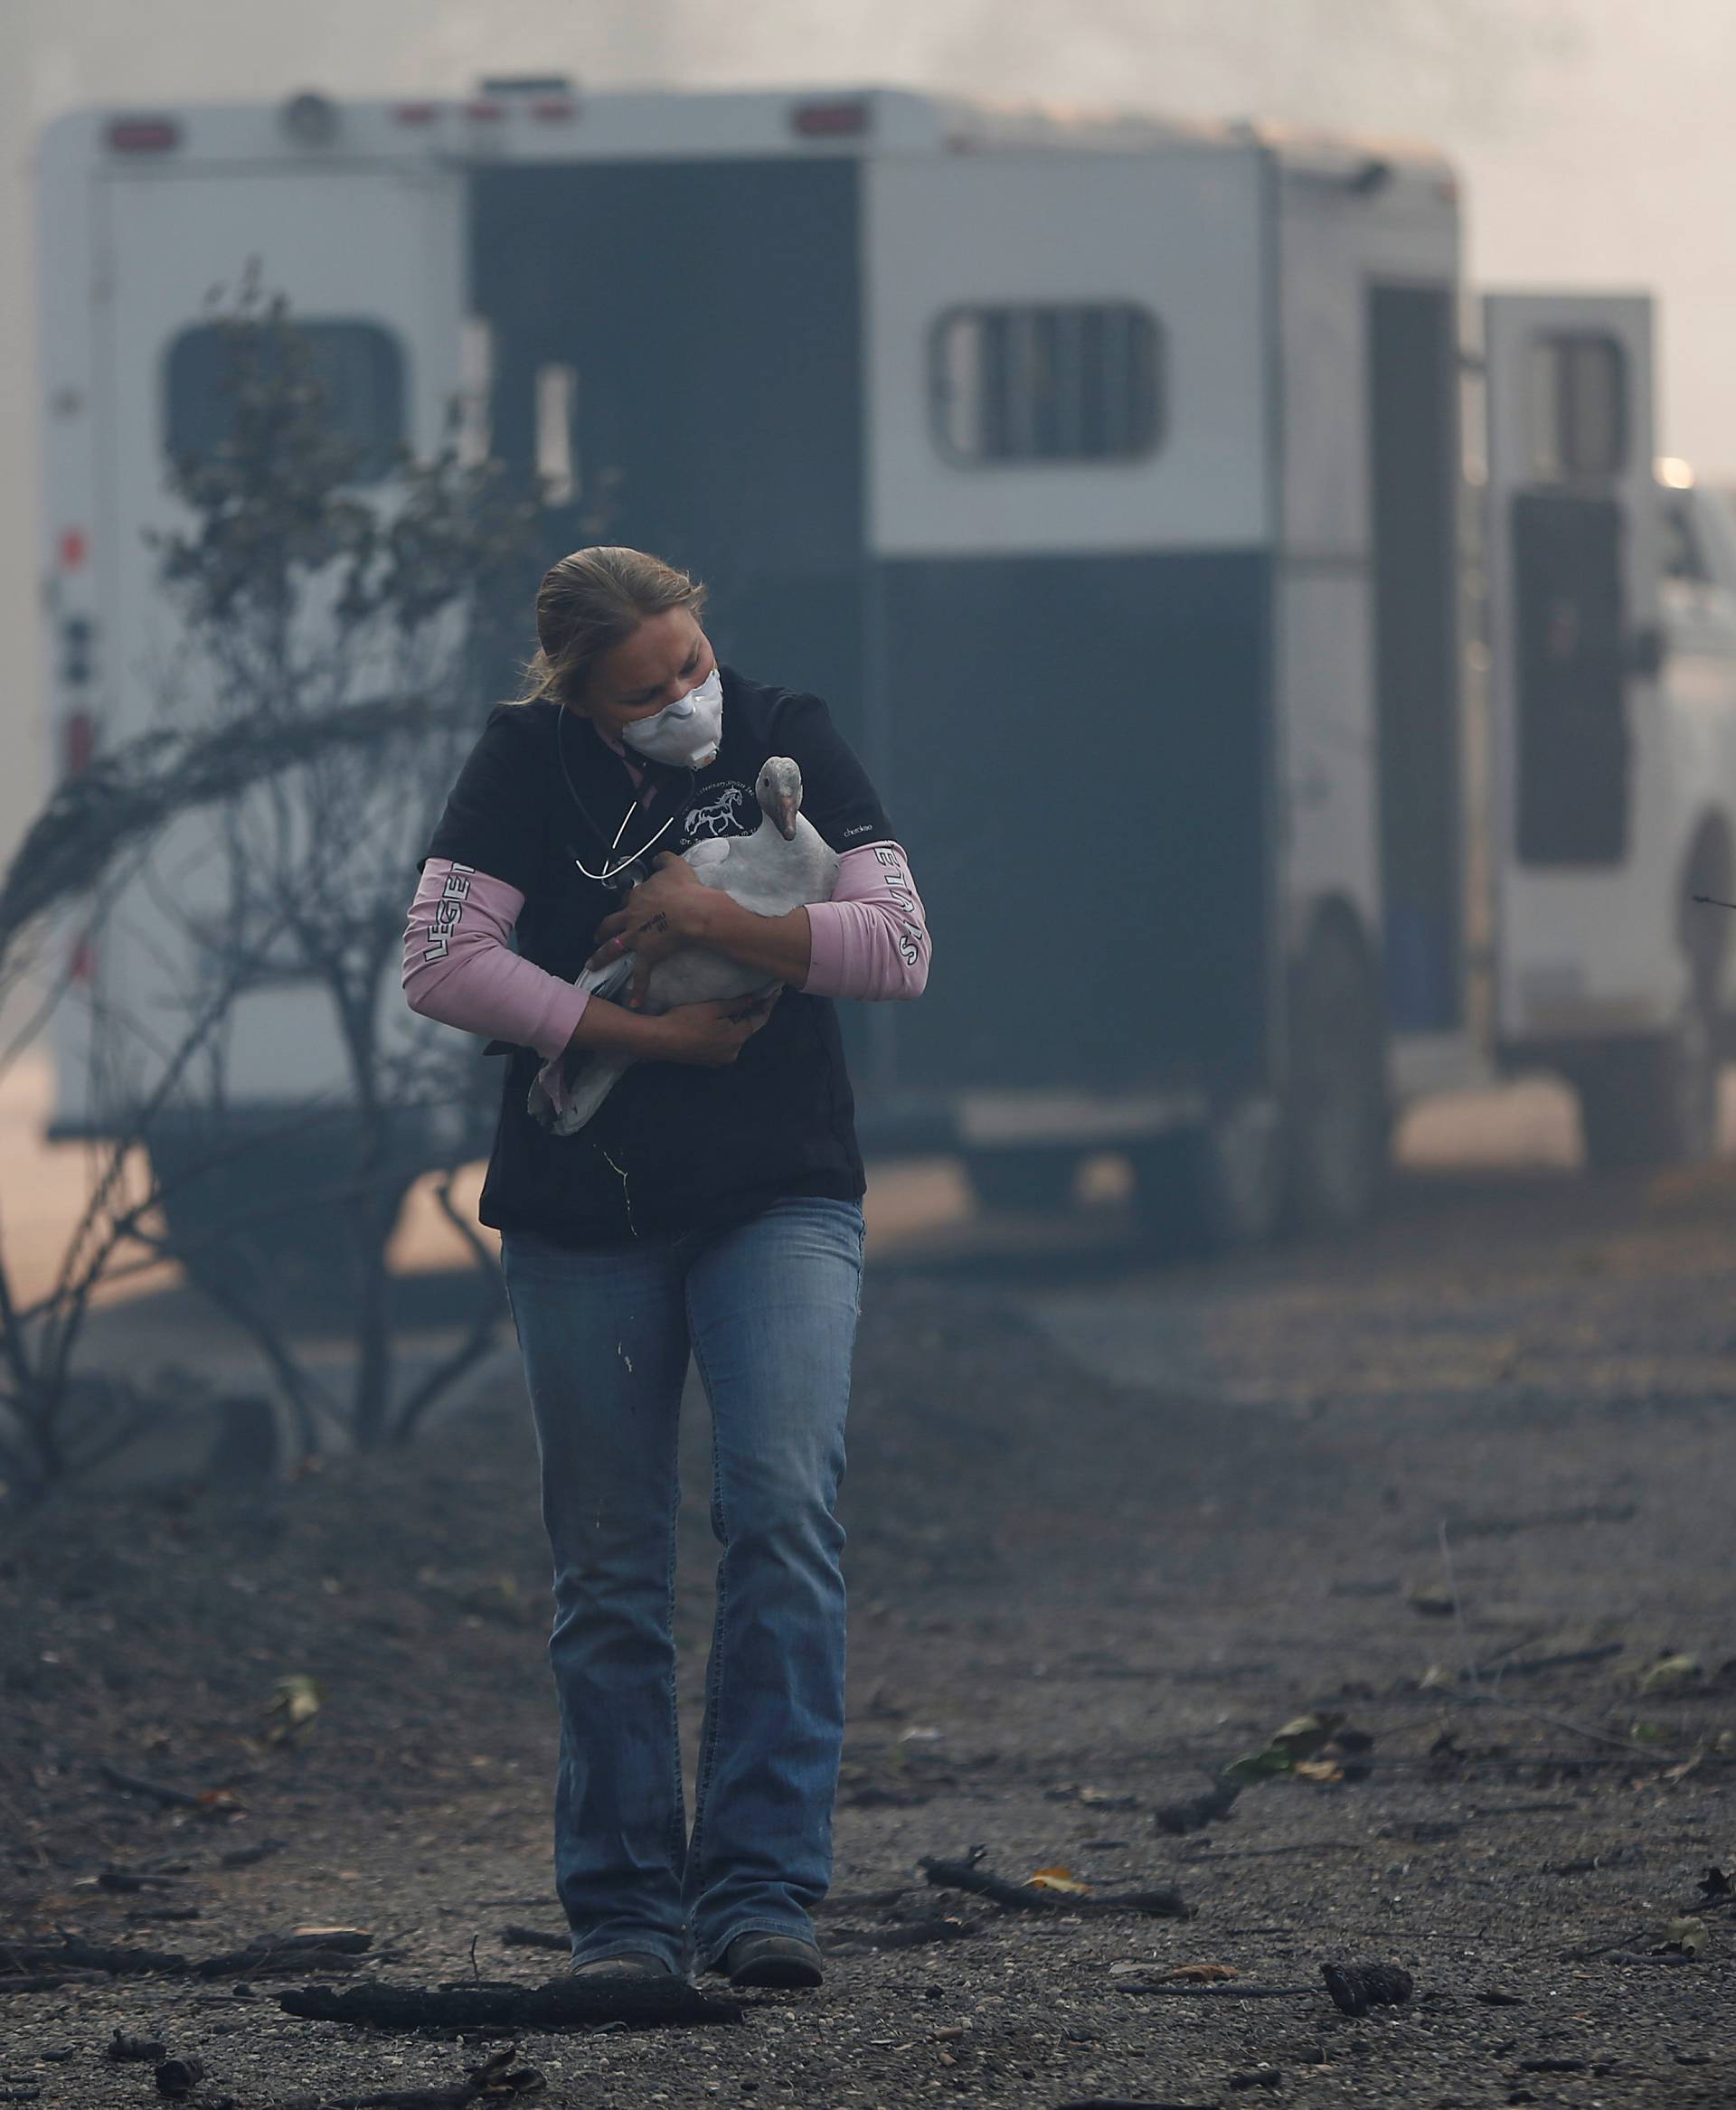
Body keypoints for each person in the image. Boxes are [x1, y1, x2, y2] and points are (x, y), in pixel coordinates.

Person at [401, 546, 930, 1990]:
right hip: (584, 1213)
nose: (687, 699)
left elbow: (896, 945)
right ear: (584, 702)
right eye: (647, 691)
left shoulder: (787, 731)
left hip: (780, 1193)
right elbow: (443, 961)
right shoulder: (525, 764)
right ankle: (625, 1913)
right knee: (613, 1569)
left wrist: (710, 921)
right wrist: (643, 1036)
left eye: (692, 664)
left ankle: (761, 1892)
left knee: (779, 1512)